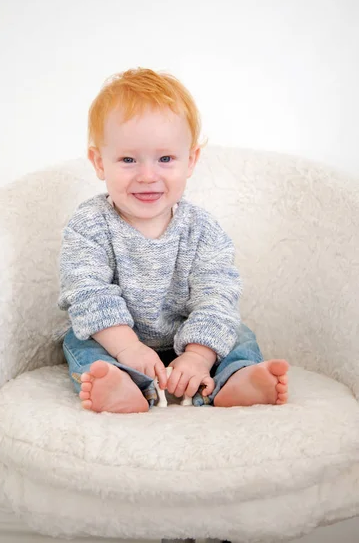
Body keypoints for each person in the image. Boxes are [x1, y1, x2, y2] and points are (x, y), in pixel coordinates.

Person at [58, 68, 289, 413]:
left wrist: (198, 356)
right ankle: (121, 383)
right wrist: (129, 349)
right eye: (128, 159)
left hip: (188, 336)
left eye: (165, 159)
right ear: (99, 162)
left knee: (237, 333)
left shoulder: (202, 229)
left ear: (190, 160)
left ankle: (236, 379)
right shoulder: (89, 224)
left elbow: (217, 294)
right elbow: (87, 292)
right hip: (117, 337)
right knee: (80, 340)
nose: (147, 176)